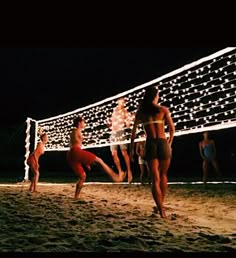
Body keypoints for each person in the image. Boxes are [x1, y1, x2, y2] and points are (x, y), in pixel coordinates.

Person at [130, 86, 175, 218]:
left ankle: (161, 209)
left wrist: (132, 149)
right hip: (162, 143)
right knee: (163, 175)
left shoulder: (141, 112)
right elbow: (172, 129)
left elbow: (133, 135)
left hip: (150, 144)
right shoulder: (163, 110)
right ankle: (160, 204)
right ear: (155, 96)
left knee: (155, 178)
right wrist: (170, 142)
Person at [67, 115, 126, 199]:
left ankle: (76, 197)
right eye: (83, 122)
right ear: (79, 123)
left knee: (83, 176)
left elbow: (72, 145)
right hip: (76, 151)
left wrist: (85, 161)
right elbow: (76, 145)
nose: (85, 123)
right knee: (100, 161)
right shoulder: (77, 131)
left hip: (71, 155)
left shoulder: (73, 132)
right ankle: (116, 177)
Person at [108, 96, 133, 183]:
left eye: (124, 101)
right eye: (121, 101)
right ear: (118, 101)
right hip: (113, 132)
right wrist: (109, 123)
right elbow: (111, 123)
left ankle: (129, 172)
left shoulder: (125, 112)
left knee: (124, 152)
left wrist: (130, 119)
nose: (122, 102)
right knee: (113, 153)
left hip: (121, 132)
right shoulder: (114, 110)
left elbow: (128, 125)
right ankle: (120, 172)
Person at [27, 127, 48, 193]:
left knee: (35, 174)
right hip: (32, 158)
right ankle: (34, 189)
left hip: (34, 159)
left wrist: (40, 131)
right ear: (44, 138)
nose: (47, 138)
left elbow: (41, 135)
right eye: (46, 137)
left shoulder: (43, 145)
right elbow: (35, 154)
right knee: (37, 174)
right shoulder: (40, 144)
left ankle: (31, 188)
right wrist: (36, 163)